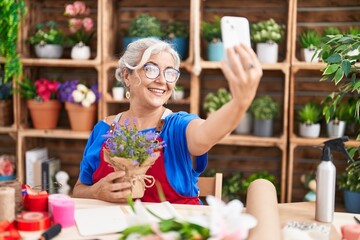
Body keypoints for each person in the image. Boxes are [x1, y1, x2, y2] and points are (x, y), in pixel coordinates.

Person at [72, 38, 262, 204]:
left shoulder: (178, 126)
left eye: (170, 73)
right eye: (151, 69)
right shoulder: (103, 129)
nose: (163, 80)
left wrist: (240, 102)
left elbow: (205, 135)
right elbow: (79, 190)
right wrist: (95, 192)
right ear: (126, 76)